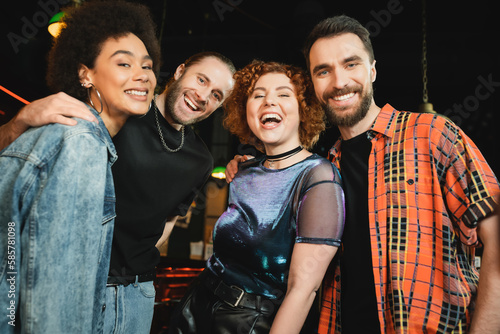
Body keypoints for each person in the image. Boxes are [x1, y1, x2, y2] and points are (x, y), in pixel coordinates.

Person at [227, 14, 500, 334]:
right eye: (323, 71)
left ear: (372, 70)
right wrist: (251, 168)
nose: (339, 81)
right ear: (313, 86)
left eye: (351, 64)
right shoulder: (321, 171)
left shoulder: (432, 134)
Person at [0, 50, 235, 332]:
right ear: (179, 70)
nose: (203, 95)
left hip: (135, 294)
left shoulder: (201, 160)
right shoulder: (119, 110)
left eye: (216, 95)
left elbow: (170, 219)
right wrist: (22, 120)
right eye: (201, 80)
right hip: (71, 279)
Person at [0, 1, 160, 333]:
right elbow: (57, 295)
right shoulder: (81, 144)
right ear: (85, 73)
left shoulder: (65, 133)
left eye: (147, 65)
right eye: (123, 63)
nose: (142, 75)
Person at [169, 60, 345, 334]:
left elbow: (304, 289)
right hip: (196, 303)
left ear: (303, 110)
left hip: (250, 322)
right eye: (258, 95)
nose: (268, 102)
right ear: (246, 110)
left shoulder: (318, 176)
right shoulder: (243, 170)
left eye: (283, 95)